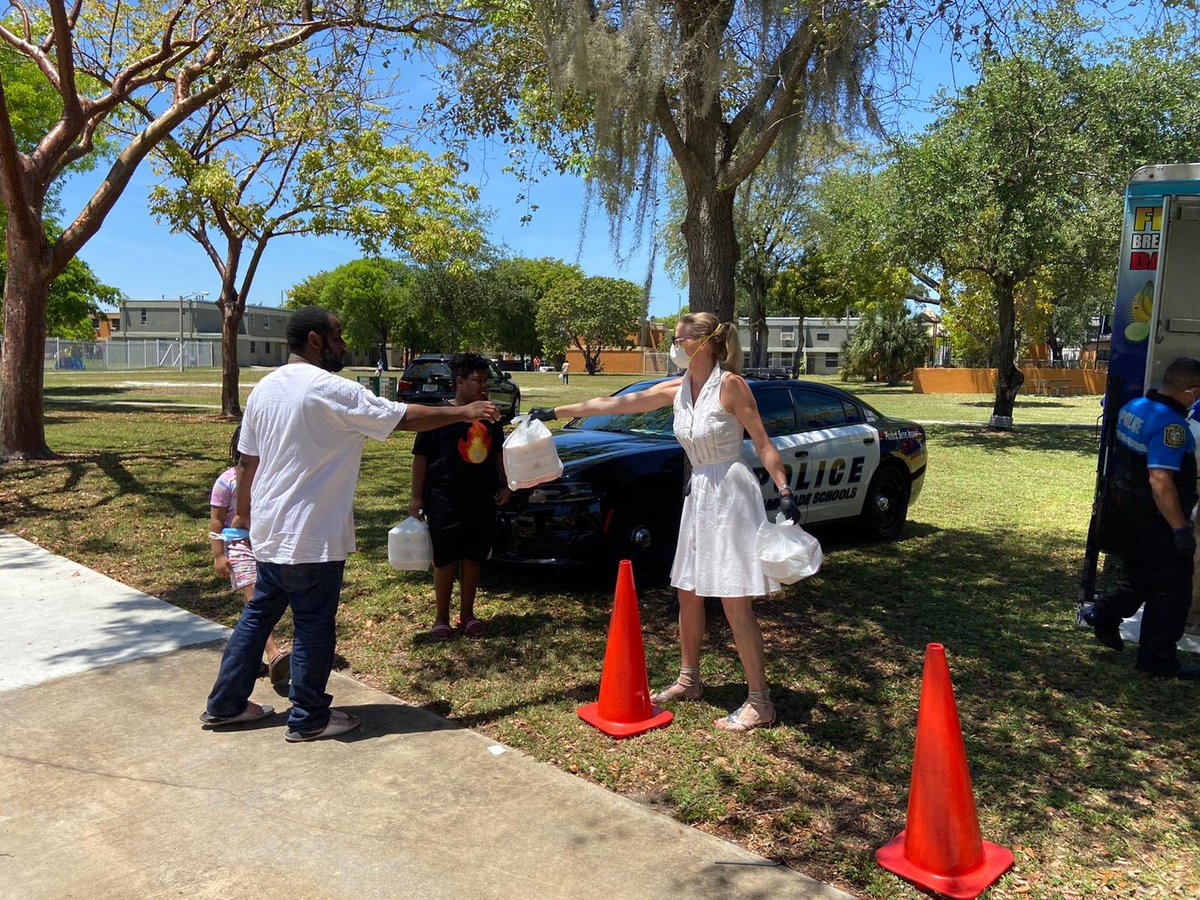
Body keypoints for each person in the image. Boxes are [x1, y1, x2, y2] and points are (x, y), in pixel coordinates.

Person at [200, 307, 500, 741]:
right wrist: (462, 412)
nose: (343, 344)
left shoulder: (264, 389)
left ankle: (226, 705)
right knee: (313, 626)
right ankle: (309, 718)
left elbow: (247, 461)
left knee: (256, 620)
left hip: (268, 533)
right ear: (317, 340)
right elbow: (402, 418)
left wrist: (243, 518)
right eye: (338, 335)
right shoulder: (331, 388)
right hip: (311, 535)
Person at [528, 312, 801, 732]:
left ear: (703, 343)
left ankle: (760, 701)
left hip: (730, 492)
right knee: (688, 590)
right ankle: (689, 679)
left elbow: (762, 442)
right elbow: (617, 404)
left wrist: (783, 491)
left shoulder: (731, 385)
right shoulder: (678, 388)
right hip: (699, 493)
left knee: (733, 599)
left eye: (678, 340)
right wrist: (556, 410)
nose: (672, 347)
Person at [1086, 356, 1200, 679]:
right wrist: (1179, 527)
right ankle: (1157, 658)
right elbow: (1161, 480)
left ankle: (1104, 613)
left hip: (1126, 511)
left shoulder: (1134, 407)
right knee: (1172, 587)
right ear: (1190, 390)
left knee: (1140, 576)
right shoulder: (1172, 426)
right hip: (1156, 518)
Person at [409, 353, 512, 640]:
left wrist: (506, 484)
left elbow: (497, 454)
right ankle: (441, 617)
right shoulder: (438, 416)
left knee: (473, 558)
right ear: (459, 382)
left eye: (485, 381)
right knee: (445, 560)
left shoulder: (491, 416)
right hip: (443, 499)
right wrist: (416, 497)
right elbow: (421, 458)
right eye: (477, 381)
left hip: (480, 499)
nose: (483, 387)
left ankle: (467, 615)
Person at [209, 427, 290, 684]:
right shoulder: (226, 481)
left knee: (258, 605)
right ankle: (273, 653)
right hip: (239, 546)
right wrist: (218, 555)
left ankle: (248, 656)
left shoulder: (273, 478)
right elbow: (216, 522)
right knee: (255, 599)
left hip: (267, 545)